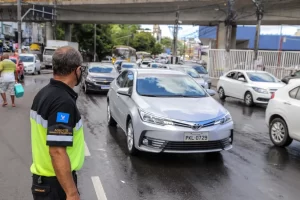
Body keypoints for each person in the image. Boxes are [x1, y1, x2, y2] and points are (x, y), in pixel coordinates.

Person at [30, 46, 85, 200]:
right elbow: (57, 151)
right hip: (55, 184)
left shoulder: (44, 93)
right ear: (77, 70)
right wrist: (71, 192)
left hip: (45, 182)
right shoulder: (62, 102)